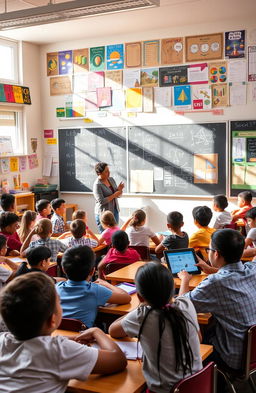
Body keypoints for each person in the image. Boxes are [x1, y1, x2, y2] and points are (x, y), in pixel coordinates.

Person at [0, 272, 127, 392]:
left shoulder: (2, 340)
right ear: (53, 319)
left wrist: (71, 339)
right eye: (59, 303)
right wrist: (97, 331)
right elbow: (118, 360)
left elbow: (32, 345)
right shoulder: (59, 350)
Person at [109, 262, 202, 393]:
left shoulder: (143, 316)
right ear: (173, 287)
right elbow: (199, 337)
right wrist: (185, 281)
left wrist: (139, 308)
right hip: (197, 385)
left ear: (140, 297)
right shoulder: (187, 305)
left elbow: (113, 330)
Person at [178, 229, 256, 373]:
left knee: (195, 333)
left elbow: (182, 306)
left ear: (216, 253)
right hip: (252, 351)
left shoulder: (215, 283)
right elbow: (233, 272)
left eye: (209, 249)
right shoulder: (252, 269)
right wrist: (211, 269)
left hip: (233, 357)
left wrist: (184, 280)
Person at [56, 245, 131, 327]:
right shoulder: (95, 290)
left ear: (63, 269)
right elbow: (126, 297)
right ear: (92, 271)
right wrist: (106, 283)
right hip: (83, 338)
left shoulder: (55, 288)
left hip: (56, 335)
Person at [93, 162, 124, 233]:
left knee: (115, 233)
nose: (109, 173)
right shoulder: (97, 184)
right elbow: (101, 201)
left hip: (115, 210)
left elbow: (117, 195)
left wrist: (119, 190)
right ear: (99, 173)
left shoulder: (111, 179)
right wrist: (114, 195)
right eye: (106, 171)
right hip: (104, 214)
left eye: (109, 170)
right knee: (105, 235)